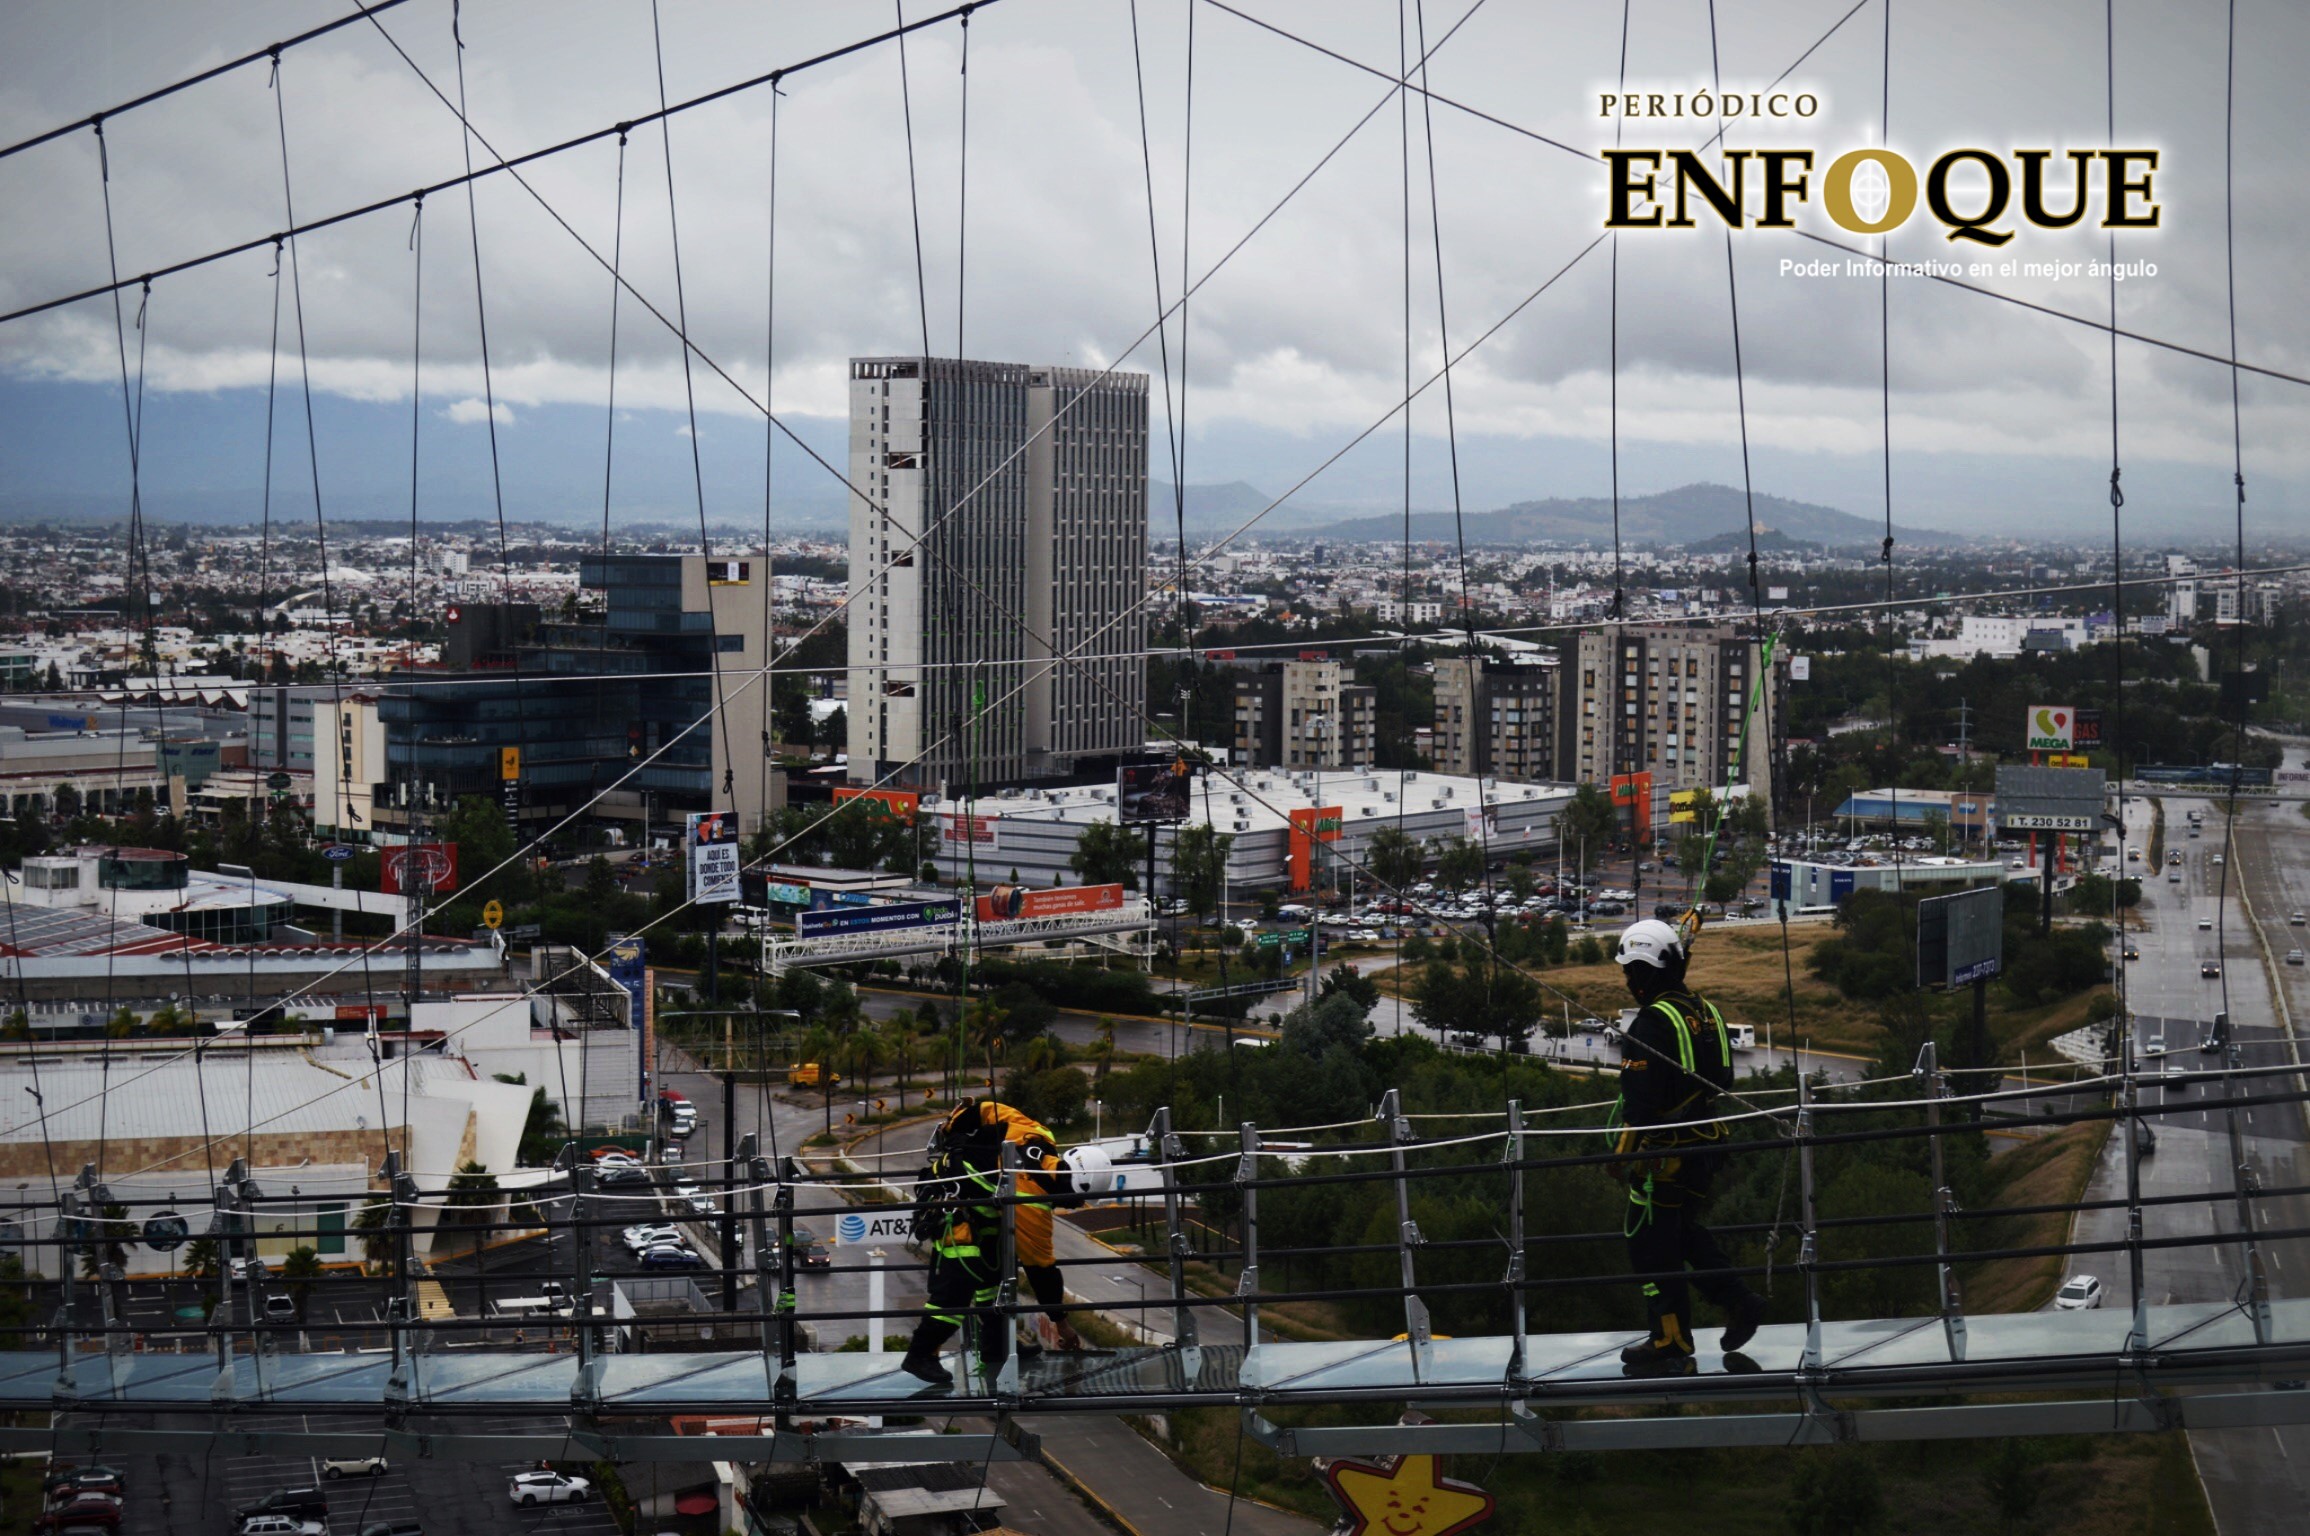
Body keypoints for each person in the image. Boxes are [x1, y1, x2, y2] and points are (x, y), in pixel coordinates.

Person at [1610, 918, 1766, 1377]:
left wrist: (1623, 1155)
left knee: (1649, 1244)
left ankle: (1670, 1340)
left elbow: (1639, 1104)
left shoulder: (1652, 1021)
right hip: (1707, 1146)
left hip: (1665, 1156)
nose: (1628, 980)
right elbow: (1721, 1078)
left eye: (1631, 971)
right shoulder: (1705, 1010)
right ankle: (1737, 1299)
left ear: (1648, 969)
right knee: (1681, 1233)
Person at [897, 1098, 1114, 1385]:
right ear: (1074, 1189)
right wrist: (1062, 1324)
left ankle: (996, 1347)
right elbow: (1042, 1270)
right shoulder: (1032, 1200)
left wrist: (954, 1124)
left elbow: (986, 1109)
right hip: (952, 1206)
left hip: (977, 1209)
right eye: (1078, 1200)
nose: (1075, 1206)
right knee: (956, 1287)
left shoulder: (1037, 1133)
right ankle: (920, 1355)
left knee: (993, 1275)